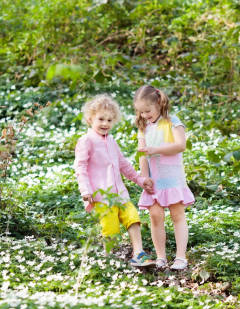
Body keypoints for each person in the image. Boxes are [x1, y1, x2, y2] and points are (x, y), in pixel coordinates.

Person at [74, 94, 154, 267]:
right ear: (90, 119)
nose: (105, 124)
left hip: (120, 193)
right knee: (110, 229)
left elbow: (124, 165)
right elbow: (80, 167)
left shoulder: (111, 141)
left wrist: (140, 180)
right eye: (101, 119)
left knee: (133, 217)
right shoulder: (86, 141)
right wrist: (85, 190)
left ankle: (138, 253)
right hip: (101, 195)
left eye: (109, 120)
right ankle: (108, 262)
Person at [133, 85, 195, 270]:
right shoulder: (143, 127)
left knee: (177, 214)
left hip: (172, 178)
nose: (144, 115)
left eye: (147, 110)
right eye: (141, 112)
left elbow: (180, 145)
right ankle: (161, 257)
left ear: (159, 103)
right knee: (155, 215)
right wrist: (144, 179)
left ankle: (181, 257)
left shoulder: (173, 122)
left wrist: (156, 150)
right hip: (154, 180)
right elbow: (142, 154)